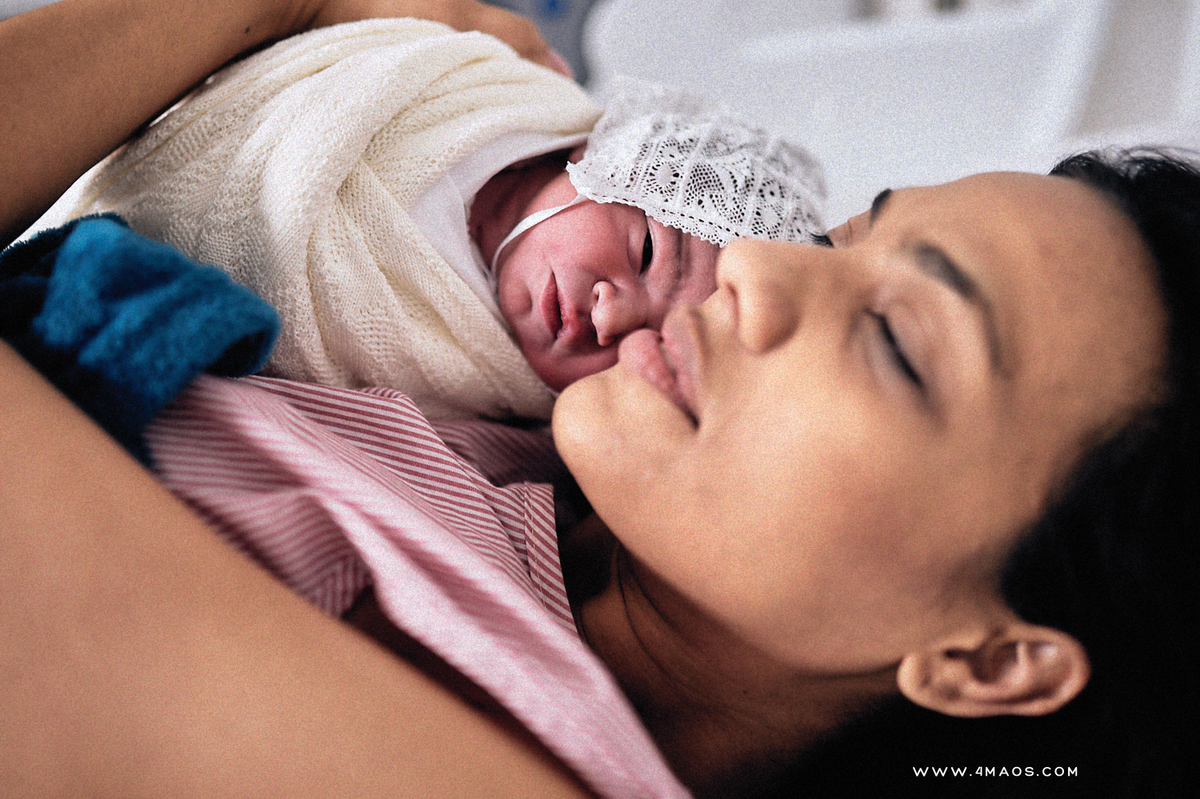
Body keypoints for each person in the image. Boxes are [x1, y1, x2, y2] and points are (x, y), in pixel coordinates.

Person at [1, 2, 1195, 798]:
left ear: (990, 663)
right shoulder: (554, 499)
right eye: (846, 237)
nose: (756, 268)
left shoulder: (455, 756)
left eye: (894, 340)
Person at [39, 18, 824, 419]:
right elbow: (309, 71)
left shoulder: (485, 389)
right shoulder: (477, 90)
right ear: (602, 155)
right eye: (648, 249)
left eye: (638, 350)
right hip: (100, 152)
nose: (610, 314)